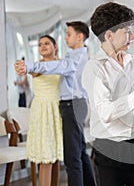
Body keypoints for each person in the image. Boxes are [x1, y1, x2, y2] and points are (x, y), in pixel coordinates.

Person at [82, 2, 134, 186]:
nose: (132, 36)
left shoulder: (132, 61)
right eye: (126, 31)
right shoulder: (94, 68)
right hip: (109, 148)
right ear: (109, 35)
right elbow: (105, 113)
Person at [15, 21, 95, 186]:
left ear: (80, 37)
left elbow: (59, 66)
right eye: (40, 44)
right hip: (63, 107)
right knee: (79, 152)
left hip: (71, 106)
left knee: (73, 157)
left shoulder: (74, 58)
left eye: (69, 34)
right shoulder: (74, 56)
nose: (66, 38)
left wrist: (29, 65)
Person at [25, 35, 63, 186]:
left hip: (57, 111)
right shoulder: (36, 66)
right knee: (45, 158)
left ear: (55, 46)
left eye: (47, 43)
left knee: (55, 157)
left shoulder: (62, 64)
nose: (43, 46)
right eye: (40, 44)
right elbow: (31, 69)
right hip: (42, 112)